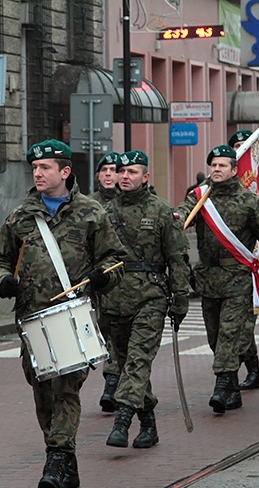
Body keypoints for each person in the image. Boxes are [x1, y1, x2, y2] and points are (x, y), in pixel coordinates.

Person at [0, 139, 124, 488]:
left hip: (73, 317)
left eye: (45, 168)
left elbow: (115, 260)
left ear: (64, 171)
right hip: (32, 321)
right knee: (44, 395)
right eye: (35, 168)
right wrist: (3, 281)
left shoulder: (91, 213)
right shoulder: (20, 217)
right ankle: (68, 468)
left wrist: (102, 277)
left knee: (66, 391)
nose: (38, 173)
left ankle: (56, 460)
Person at [180, 145, 259, 415]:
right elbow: (178, 220)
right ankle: (232, 390)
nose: (216, 170)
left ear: (234, 171)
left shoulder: (248, 202)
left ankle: (220, 386)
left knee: (230, 336)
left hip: (238, 279)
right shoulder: (199, 198)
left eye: (222, 166)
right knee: (215, 337)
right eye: (213, 165)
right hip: (208, 278)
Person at [100, 150, 190, 449]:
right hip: (112, 299)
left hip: (150, 297)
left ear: (146, 177)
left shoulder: (162, 211)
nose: (125, 177)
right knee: (128, 365)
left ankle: (122, 422)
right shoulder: (102, 212)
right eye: (121, 172)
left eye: (133, 172)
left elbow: (177, 258)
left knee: (138, 361)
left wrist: (180, 299)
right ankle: (148, 423)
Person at [227, 129, 259, 390]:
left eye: (246, 146)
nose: (242, 150)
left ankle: (242, 373)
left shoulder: (256, 182)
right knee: (230, 329)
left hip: (249, 260)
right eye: (238, 146)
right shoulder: (215, 185)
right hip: (221, 269)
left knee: (243, 325)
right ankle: (251, 369)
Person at [87, 151, 123, 412]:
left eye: (114, 169)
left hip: (127, 283)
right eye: (105, 170)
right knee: (104, 334)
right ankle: (113, 380)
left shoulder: (131, 202)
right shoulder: (87, 205)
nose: (109, 174)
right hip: (98, 283)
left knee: (122, 338)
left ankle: (113, 384)